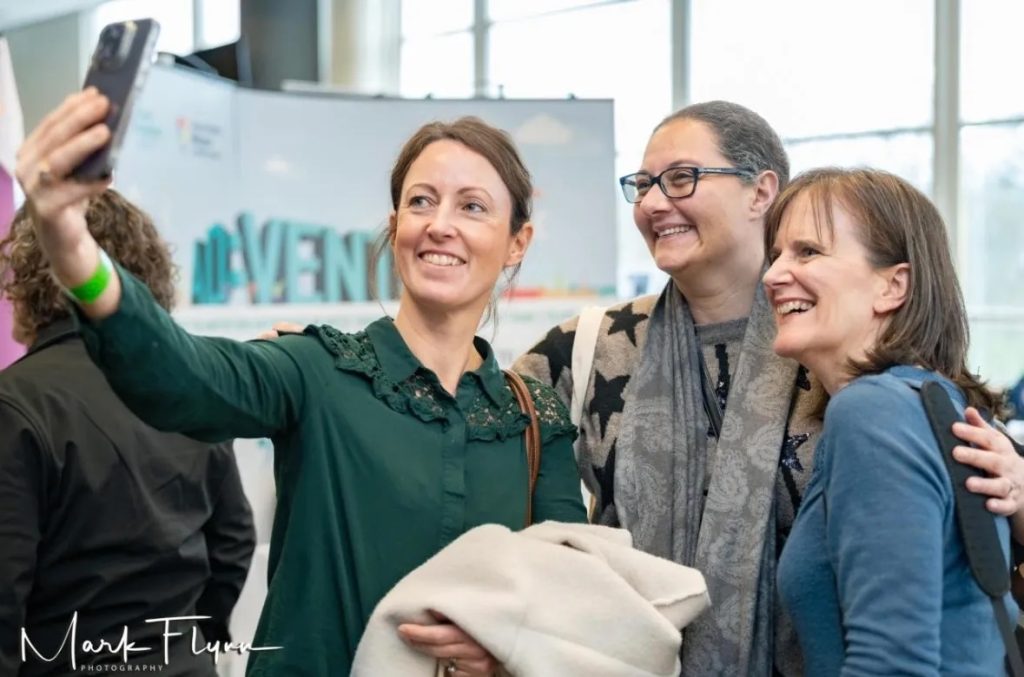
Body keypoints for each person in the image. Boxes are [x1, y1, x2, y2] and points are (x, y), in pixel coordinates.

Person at [15, 88, 586, 676]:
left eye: (472, 207)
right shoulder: (317, 370)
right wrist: (72, 246)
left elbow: (569, 600)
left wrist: (507, 648)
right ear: (395, 228)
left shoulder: (533, 419)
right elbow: (180, 376)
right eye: (421, 201)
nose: (440, 225)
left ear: (517, 242)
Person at [513, 101, 1024, 675]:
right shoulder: (587, 348)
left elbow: (961, 538)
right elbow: (479, 441)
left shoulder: (847, 362)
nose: (654, 203)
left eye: (682, 178)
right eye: (642, 184)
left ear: (761, 193)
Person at [766, 167, 1016, 673]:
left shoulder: (873, 412)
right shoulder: (929, 400)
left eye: (808, 251)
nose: (771, 276)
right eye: (776, 257)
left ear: (892, 286)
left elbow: (893, 663)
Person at [0, 190, 255, 676]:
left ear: (30, 281)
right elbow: (233, 543)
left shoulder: (16, 404)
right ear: (150, 276)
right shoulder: (190, 386)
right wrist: (185, 644)